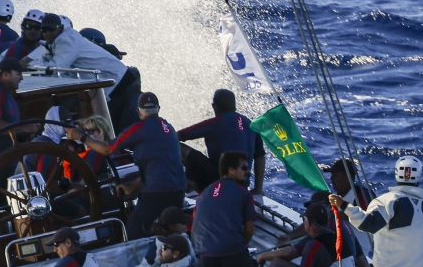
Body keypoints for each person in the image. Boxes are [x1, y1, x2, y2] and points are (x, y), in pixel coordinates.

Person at [26, 14, 138, 125]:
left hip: (121, 86)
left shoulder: (67, 40)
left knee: (117, 131)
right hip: (115, 87)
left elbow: (56, 68)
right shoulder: (56, 41)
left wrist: (28, 63)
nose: (48, 33)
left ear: (60, 28)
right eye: (44, 30)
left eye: (51, 29)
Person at [104, 92, 187, 237]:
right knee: (167, 232)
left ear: (138, 111)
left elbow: (108, 148)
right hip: (178, 191)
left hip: (157, 194)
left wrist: (82, 136)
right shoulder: (169, 128)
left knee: (133, 233)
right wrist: (131, 187)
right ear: (159, 108)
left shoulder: (140, 129)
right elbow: (159, 169)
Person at [177, 88, 266, 192]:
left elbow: (178, 135)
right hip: (242, 183)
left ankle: (191, 186)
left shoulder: (215, 122)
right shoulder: (250, 124)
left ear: (214, 107)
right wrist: (258, 189)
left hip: (218, 180)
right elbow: (260, 157)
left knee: (175, 145)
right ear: (234, 106)